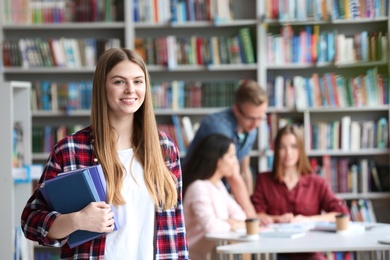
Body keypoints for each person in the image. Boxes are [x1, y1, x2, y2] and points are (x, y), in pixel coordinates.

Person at [21, 48, 189, 259]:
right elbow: (30, 221)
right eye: (119, 82)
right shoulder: (71, 149)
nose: (130, 90)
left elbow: (177, 227)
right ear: (102, 87)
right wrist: (77, 220)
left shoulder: (165, 148)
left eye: (138, 81)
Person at [251, 124, 349, 260]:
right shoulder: (264, 180)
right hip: (275, 252)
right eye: (282, 147)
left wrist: (308, 220)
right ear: (276, 150)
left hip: (310, 253)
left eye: (293, 146)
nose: (288, 153)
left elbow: (341, 214)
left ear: (301, 150)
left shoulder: (316, 182)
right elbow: (254, 215)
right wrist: (278, 219)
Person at [185, 79, 268, 218]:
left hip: (219, 191)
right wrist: (252, 217)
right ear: (236, 110)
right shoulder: (218, 128)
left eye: (261, 118)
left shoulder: (251, 128)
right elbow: (233, 175)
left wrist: (251, 208)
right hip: (197, 192)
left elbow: (244, 170)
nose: (256, 124)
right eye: (251, 118)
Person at [182, 134, 246, 260]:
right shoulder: (198, 187)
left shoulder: (218, 185)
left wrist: (230, 223)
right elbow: (211, 227)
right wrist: (233, 224)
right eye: (231, 156)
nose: (235, 162)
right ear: (217, 159)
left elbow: (241, 216)